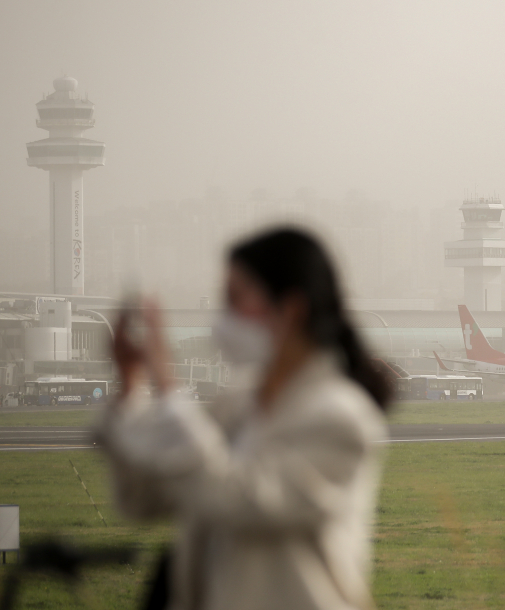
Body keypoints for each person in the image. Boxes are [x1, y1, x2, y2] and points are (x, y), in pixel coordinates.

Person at [98, 228, 392, 610]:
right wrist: (130, 389)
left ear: (291, 309)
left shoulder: (341, 418)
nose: (223, 318)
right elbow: (142, 500)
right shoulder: (236, 404)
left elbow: (234, 495)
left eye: (235, 299)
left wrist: (170, 389)